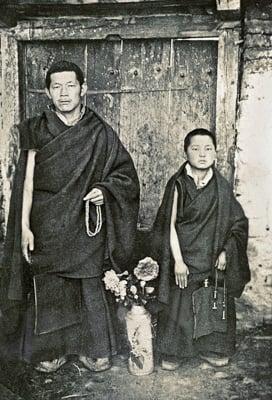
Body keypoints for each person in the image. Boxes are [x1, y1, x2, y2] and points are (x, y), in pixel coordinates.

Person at [0, 60, 140, 373]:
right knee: (50, 287)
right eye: (56, 86)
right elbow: (26, 182)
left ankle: (94, 349)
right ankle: (51, 351)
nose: (64, 93)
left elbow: (125, 174)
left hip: (84, 225)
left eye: (71, 85)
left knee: (88, 287)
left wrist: (105, 190)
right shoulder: (34, 128)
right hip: (46, 222)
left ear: (83, 89)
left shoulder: (99, 130)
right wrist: (24, 227)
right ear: (48, 91)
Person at [152, 128, 250, 370]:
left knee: (213, 295)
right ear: (185, 152)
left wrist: (228, 250)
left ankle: (211, 348)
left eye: (208, 149)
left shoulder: (221, 187)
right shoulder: (177, 184)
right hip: (182, 256)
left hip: (211, 259)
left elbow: (237, 223)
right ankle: (174, 351)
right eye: (195, 149)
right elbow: (168, 226)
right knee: (180, 297)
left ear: (216, 153)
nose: (202, 154)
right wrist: (178, 262)